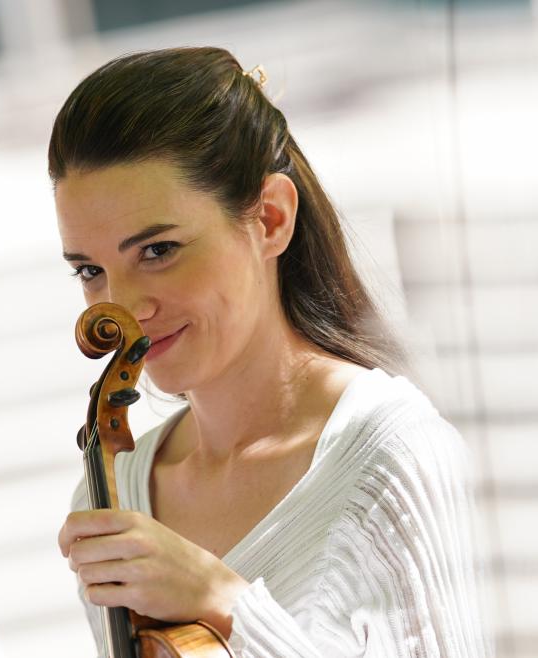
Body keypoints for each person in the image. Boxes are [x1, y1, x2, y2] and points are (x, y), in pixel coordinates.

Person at [51, 47, 489, 657]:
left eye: (158, 251)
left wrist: (228, 606)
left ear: (271, 219)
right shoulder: (113, 488)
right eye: (91, 270)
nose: (123, 310)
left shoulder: (396, 458)